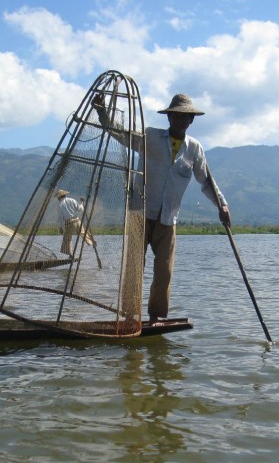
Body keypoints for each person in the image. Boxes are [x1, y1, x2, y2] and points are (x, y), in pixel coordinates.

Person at [93, 92, 231, 322]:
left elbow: (205, 181)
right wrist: (102, 112)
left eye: (184, 117)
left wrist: (222, 205)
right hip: (141, 211)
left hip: (168, 217)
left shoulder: (194, 149)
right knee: (134, 267)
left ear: (191, 121)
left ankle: (156, 317)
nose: (179, 120)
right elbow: (122, 135)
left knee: (164, 272)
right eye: (175, 116)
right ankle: (129, 315)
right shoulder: (151, 137)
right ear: (169, 118)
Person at [57, 189, 84, 256]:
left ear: (60, 196)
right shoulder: (72, 200)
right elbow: (80, 209)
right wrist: (82, 203)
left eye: (58, 197)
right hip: (78, 221)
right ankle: (92, 242)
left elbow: (60, 218)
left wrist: (60, 227)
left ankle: (71, 255)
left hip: (70, 223)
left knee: (67, 239)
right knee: (84, 234)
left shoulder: (60, 204)